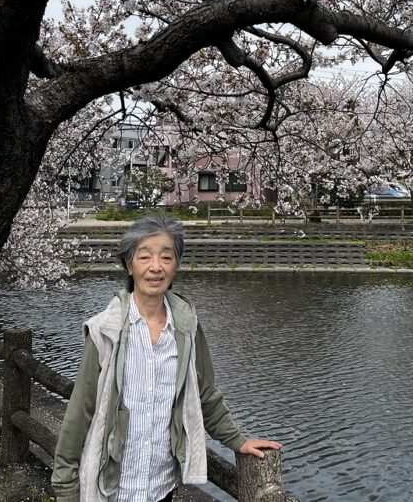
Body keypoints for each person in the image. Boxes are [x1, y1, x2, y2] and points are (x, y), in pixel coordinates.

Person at [51, 212, 281, 502]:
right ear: (128, 265)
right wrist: (64, 485)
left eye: (166, 258)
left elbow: (205, 393)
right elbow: (80, 412)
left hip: (161, 486)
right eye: (144, 257)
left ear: (176, 265)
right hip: (110, 488)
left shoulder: (186, 328)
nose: (155, 267)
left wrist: (237, 440)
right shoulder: (105, 331)